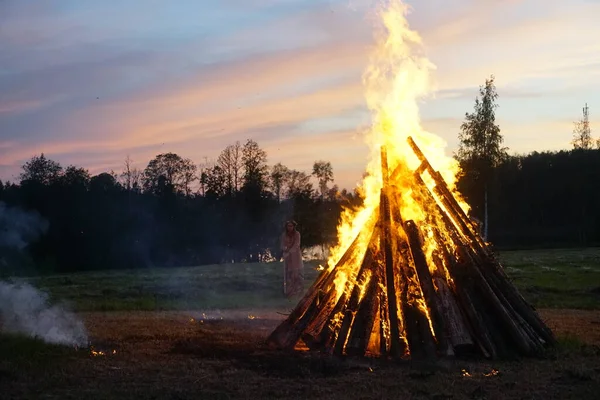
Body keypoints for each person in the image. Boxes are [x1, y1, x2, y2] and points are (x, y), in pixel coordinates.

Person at [280, 220, 304, 298]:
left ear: (294, 227)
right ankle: (289, 292)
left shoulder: (297, 234)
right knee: (289, 275)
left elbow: (297, 244)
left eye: (291, 226)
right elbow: (282, 245)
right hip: (288, 258)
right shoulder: (284, 235)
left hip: (296, 256)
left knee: (297, 274)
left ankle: (299, 291)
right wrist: (285, 249)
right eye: (288, 226)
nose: (289, 227)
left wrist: (289, 252)